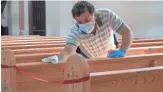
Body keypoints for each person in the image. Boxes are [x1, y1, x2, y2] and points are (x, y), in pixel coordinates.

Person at [42, 1, 133, 64]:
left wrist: (122, 50)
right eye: (80, 22)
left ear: (94, 14)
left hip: (111, 55)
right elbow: (68, 51)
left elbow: (127, 32)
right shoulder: (75, 31)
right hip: (91, 60)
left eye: (87, 20)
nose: (84, 24)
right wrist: (57, 58)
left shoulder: (106, 15)